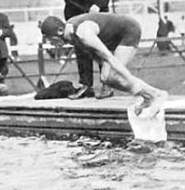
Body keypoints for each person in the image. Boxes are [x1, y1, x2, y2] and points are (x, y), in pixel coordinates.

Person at [39, 13, 168, 117]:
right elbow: (96, 56)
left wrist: (125, 76)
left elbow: (110, 58)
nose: (51, 43)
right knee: (106, 77)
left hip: (129, 31)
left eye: (50, 39)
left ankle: (156, 94)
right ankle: (148, 97)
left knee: (114, 76)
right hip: (115, 36)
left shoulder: (83, 33)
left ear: (60, 30)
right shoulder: (71, 32)